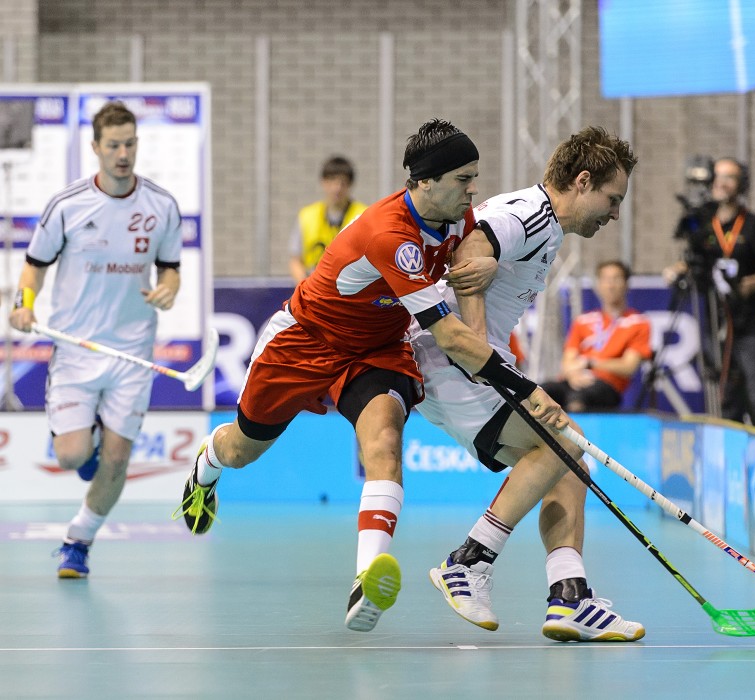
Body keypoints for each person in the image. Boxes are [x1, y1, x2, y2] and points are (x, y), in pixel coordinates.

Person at [172, 119, 568, 633]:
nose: (474, 189)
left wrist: (486, 280)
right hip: (305, 342)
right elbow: (447, 338)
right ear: (425, 181)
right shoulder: (390, 235)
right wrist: (522, 386)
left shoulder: (460, 219)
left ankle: (366, 580)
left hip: (376, 349)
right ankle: (207, 464)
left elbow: (472, 280)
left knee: (383, 443)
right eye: (463, 178)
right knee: (241, 450)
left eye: (475, 176)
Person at [410, 126, 644, 641]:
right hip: (452, 362)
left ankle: (569, 597)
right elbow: (473, 243)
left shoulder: (547, 226)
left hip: (464, 365)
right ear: (582, 182)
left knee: (568, 462)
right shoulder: (531, 213)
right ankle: (469, 561)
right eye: (612, 198)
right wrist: (477, 347)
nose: (614, 213)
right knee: (562, 445)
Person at [8, 101, 183, 578]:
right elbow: (34, 265)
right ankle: (87, 443)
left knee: (118, 461)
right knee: (71, 456)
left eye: (130, 143)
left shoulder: (162, 206)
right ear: (95, 148)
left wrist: (168, 289)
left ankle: (77, 542)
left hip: (132, 351)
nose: (123, 153)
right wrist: (24, 303)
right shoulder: (67, 205)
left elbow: (171, 268)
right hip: (74, 348)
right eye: (113, 145)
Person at [662, 157, 755, 430]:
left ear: (741, 184)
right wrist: (677, 270)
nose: (720, 182)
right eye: (717, 176)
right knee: (725, 395)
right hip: (714, 323)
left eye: (729, 177)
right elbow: (694, 259)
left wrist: (750, 283)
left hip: (749, 325)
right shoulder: (704, 224)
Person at [541, 260, 652, 412]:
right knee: (541, 391)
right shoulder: (583, 321)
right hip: (574, 380)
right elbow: (567, 361)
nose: (610, 285)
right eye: (605, 280)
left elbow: (628, 367)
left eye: (616, 279)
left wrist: (590, 363)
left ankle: (576, 436)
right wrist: (572, 375)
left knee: (578, 398)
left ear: (626, 285)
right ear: (599, 285)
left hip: (607, 386)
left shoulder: (638, 322)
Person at [288, 155, 369, 283]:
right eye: (332, 181)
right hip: (313, 290)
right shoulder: (306, 216)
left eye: (343, 182)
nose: (337, 188)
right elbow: (295, 260)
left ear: (350, 185)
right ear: (323, 182)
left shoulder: (364, 215)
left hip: (351, 291)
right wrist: (306, 287)